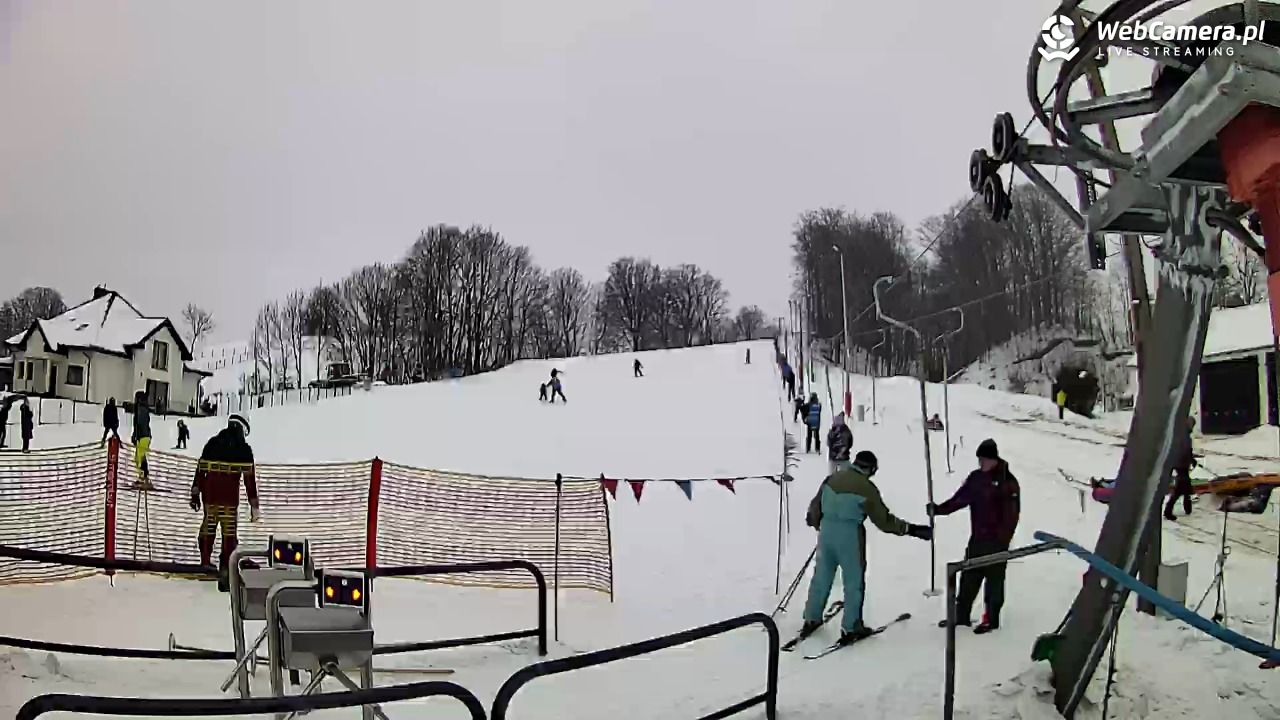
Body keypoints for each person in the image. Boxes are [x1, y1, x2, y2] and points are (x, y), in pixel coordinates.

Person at [801, 451, 933, 644]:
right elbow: (884, 521)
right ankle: (851, 626)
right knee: (853, 581)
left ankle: (811, 617)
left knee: (821, 576)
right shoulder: (867, 489)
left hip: (826, 532)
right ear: (870, 469)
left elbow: (815, 507)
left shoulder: (832, 478)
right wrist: (911, 529)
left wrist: (817, 522)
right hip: (850, 536)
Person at [930, 438, 1021, 634]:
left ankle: (991, 619)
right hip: (977, 539)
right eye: (979, 460)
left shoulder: (1008, 482)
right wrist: (939, 510)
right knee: (968, 578)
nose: (981, 463)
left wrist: (1002, 540)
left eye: (984, 460)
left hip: (997, 543)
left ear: (994, 459)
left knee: (994, 583)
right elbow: (960, 499)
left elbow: (1012, 516)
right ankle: (961, 616)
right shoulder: (976, 478)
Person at [190, 414, 261, 592]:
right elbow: (249, 480)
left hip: (210, 498)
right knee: (229, 535)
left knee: (208, 528)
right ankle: (225, 570)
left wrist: (195, 492)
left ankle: (205, 562)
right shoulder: (244, 450)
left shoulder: (212, 443)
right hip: (229, 501)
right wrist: (254, 505)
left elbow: (200, 470)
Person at [1165, 416, 1198, 521]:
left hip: (1181, 464)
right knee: (1181, 488)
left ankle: (1186, 507)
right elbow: (1184, 451)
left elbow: (1188, 451)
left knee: (1185, 486)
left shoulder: (1184, 436)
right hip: (1181, 464)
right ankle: (1169, 510)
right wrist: (1190, 459)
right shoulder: (1183, 436)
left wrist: (1191, 460)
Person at [132, 391, 153, 489]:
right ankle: (144, 477)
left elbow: (140, 424)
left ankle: (143, 479)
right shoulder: (141, 408)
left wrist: (135, 435)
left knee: (139, 458)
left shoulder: (141, 409)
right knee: (140, 457)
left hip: (143, 436)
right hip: (144, 436)